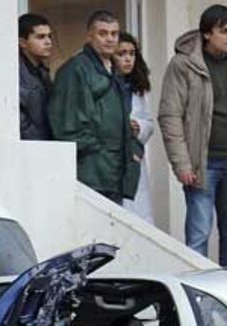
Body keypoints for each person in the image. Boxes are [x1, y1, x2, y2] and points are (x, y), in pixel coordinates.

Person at [158, 4, 227, 267]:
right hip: (202, 166)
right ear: (206, 34)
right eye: (224, 31)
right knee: (198, 236)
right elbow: (170, 116)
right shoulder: (183, 64)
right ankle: (197, 288)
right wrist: (181, 164)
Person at [49, 10, 140, 204]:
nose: (110, 39)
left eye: (114, 33)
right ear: (90, 36)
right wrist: (95, 149)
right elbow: (68, 124)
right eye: (103, 33)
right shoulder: (76, 69)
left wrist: (133, 148)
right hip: (91, 171)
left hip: (113, 171)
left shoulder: (113, 70)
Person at [114, 32, 156, 223]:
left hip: (134, 156)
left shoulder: (136, 87)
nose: (128, 59)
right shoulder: (104, 84)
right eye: (121, 53)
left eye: (132, 53)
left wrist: (139, 127)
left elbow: (148, 122)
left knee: (138, 215)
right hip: (113, 158)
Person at [19, 13, 55, 141]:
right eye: (41, 37)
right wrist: (39, 142)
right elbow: (19, 117)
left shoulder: (43, 72)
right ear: (23, 42)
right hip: (30, 146)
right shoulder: (15, 72)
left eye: (49, 36)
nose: (48, 42)